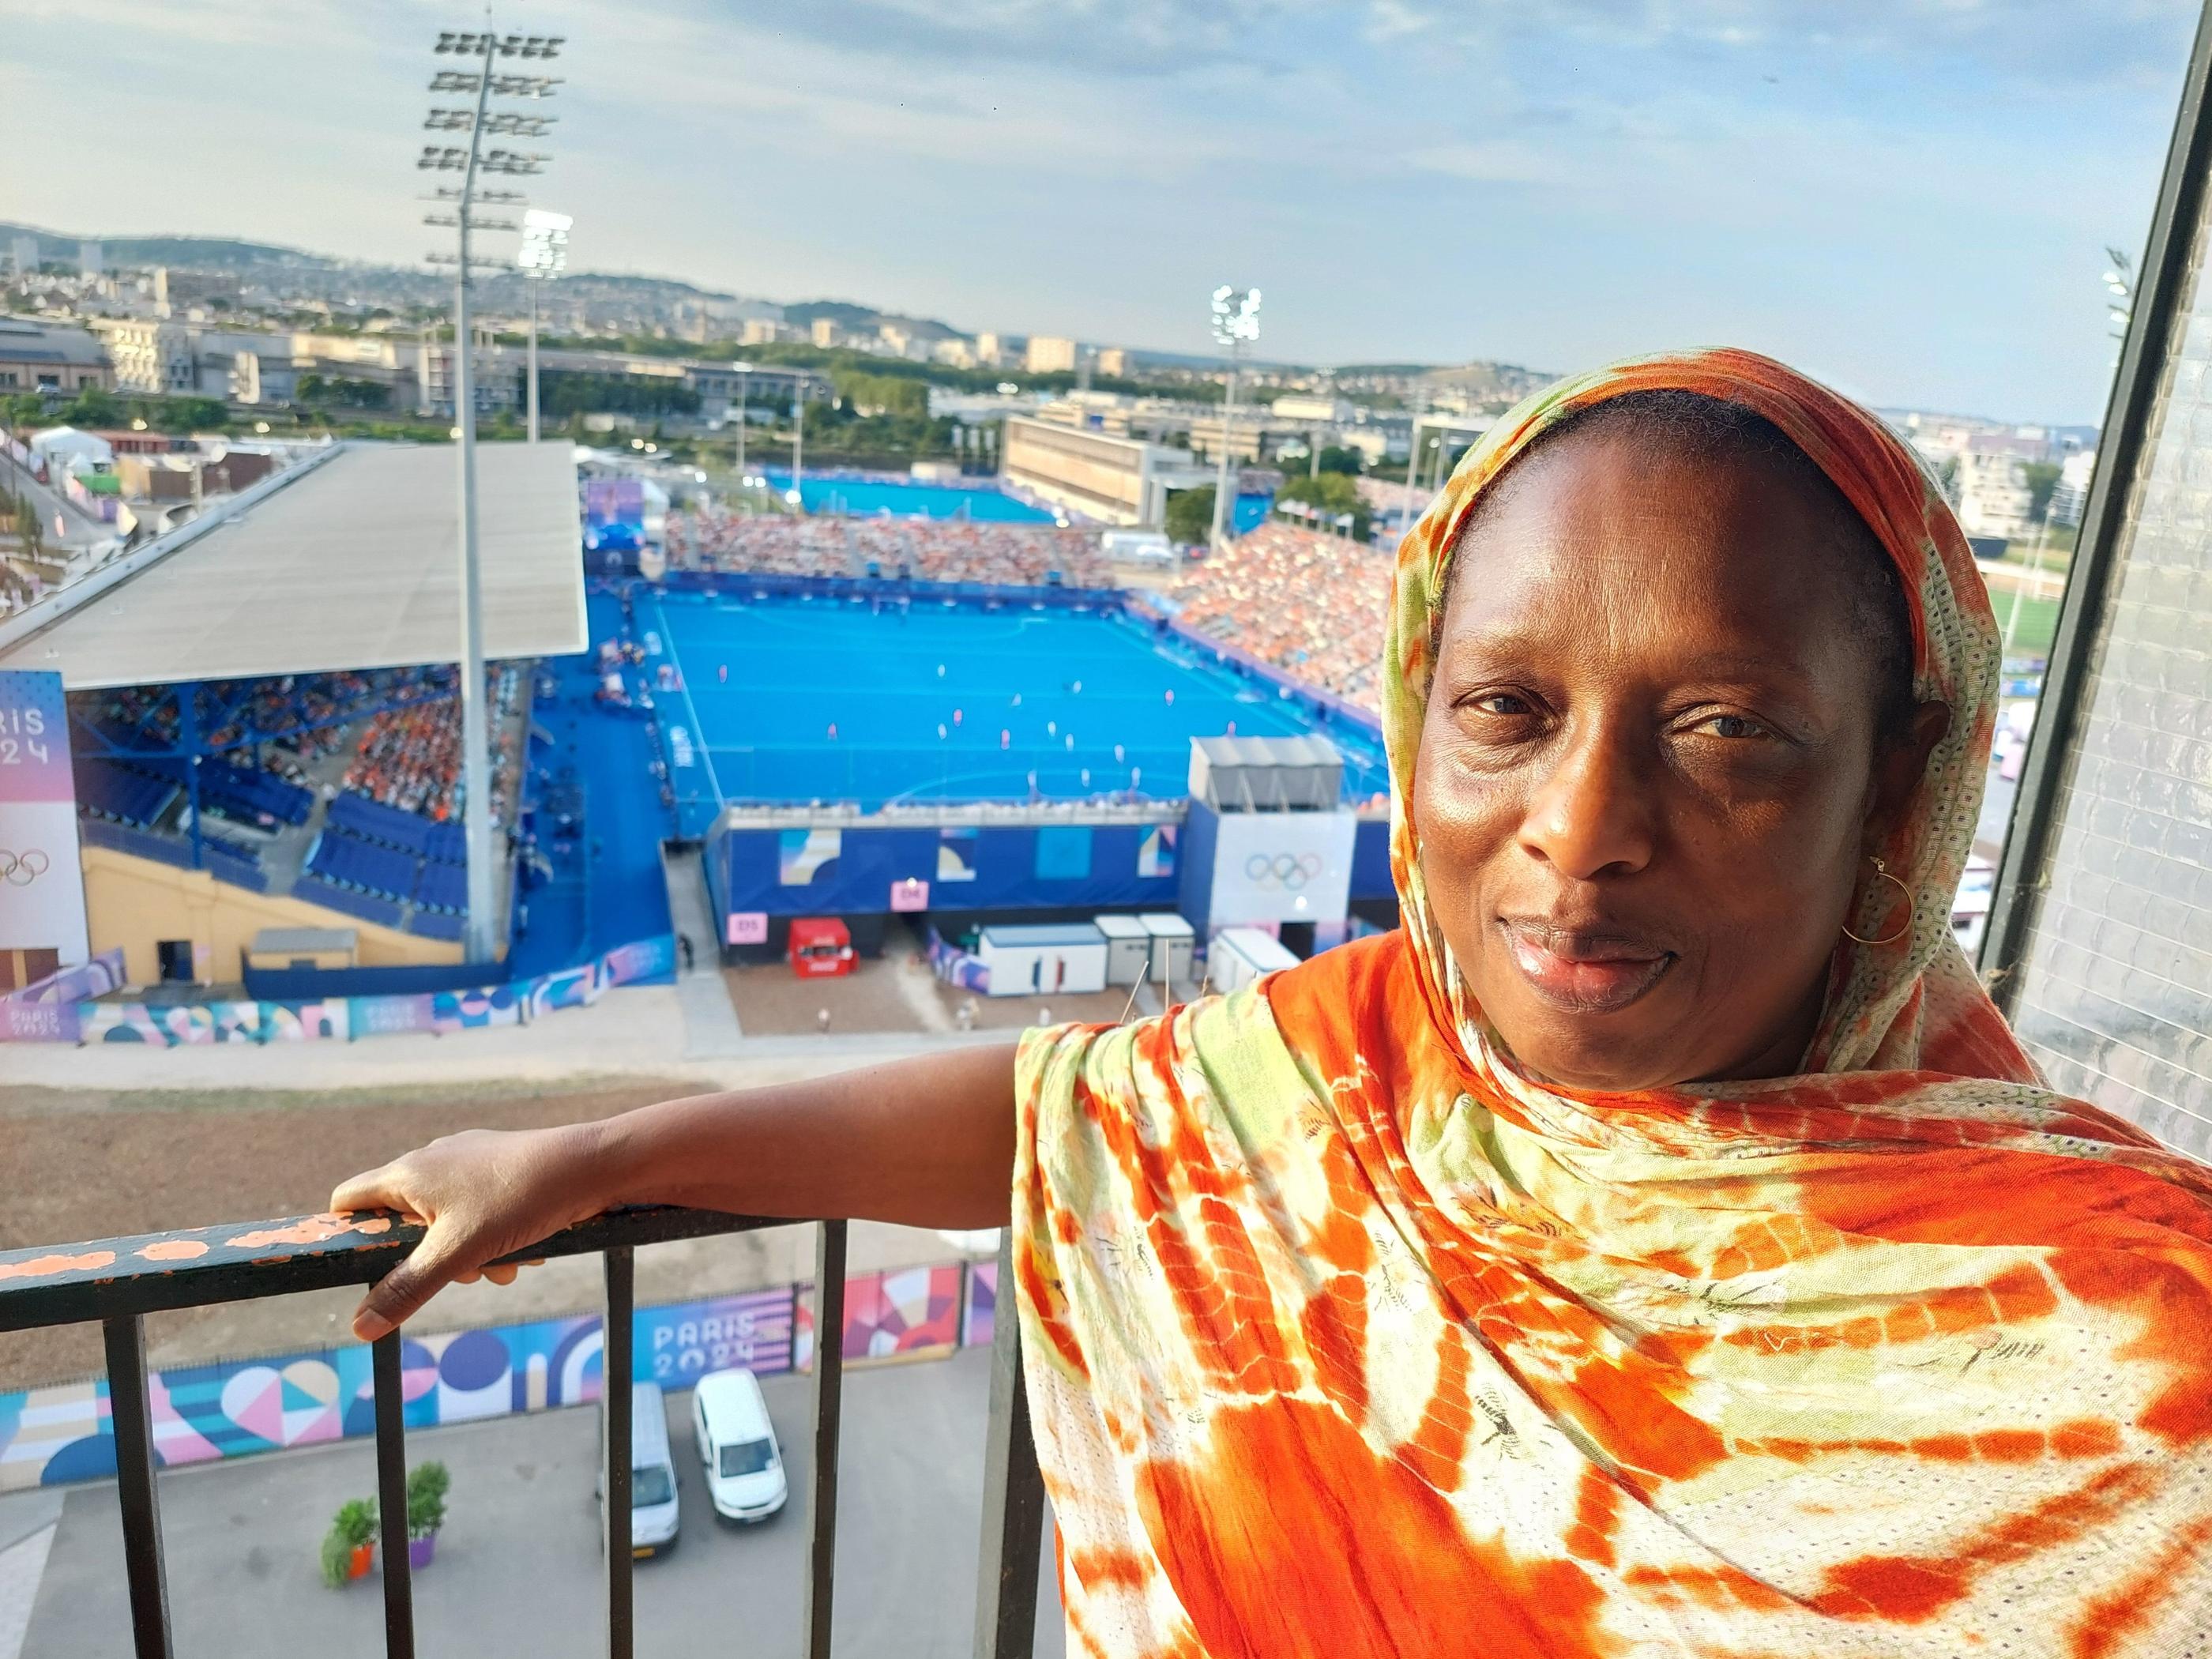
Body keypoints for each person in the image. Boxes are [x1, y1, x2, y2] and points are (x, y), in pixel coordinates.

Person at [333, 351, 2212, 1655]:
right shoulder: (1376, 1057)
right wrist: (597, 1154)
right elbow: (1081, 1109)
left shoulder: (2135, 1346)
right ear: (1415, 715)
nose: (1579, 829)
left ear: (1894, 789)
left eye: (1722, 731)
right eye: (1505, 710)